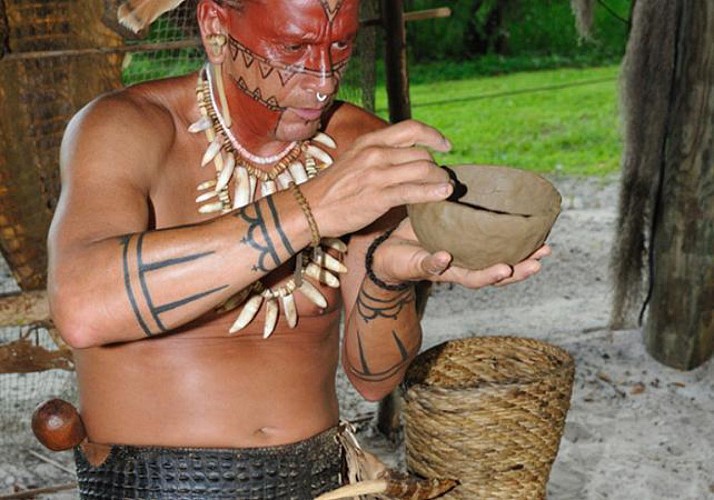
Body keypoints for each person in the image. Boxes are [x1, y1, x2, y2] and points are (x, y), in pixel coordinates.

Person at [46, 0, 550, 498]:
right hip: (152, 487)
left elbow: (376, 381)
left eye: (340, 44)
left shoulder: (363, 146)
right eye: (293, 46)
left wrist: (384, 279)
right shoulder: (125, 127)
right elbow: (82, 307)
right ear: (216, 26)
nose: (323, 78)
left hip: (320, 481)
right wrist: (313, 209)